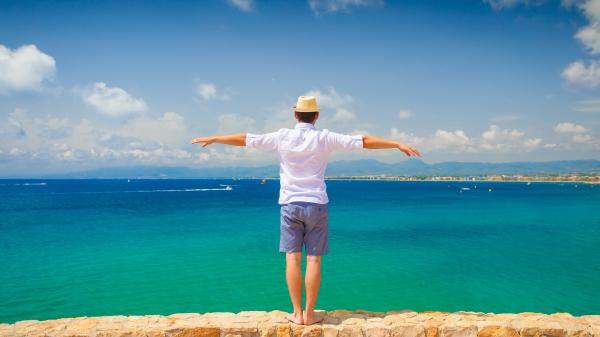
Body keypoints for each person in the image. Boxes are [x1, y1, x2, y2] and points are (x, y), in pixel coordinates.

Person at [191, 95, 421, 326]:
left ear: (295, 114)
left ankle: (296, 313)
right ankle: (310, 314)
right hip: (316, 205)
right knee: (313, 261)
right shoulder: (325, 138)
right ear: (317, 116)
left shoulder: (282, 136)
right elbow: (364, 140)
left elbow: (245, 138)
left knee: (292, 259)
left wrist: (216, 138)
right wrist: (396, 143)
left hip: (290, 205)